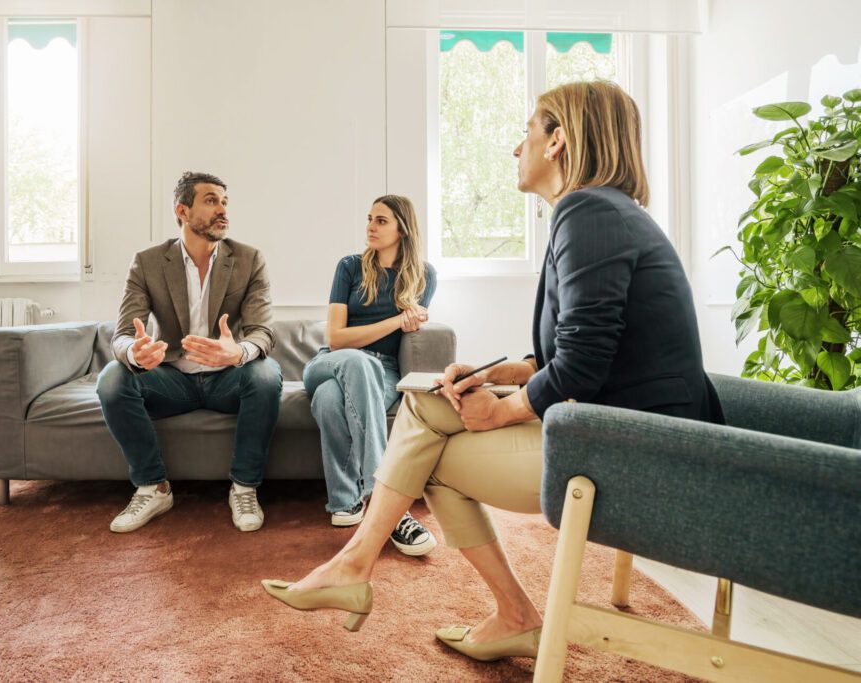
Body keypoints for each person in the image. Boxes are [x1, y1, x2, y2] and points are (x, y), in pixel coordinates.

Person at [261, 80, 725, 659]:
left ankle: (376, 570)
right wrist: (500, 373)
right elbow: (577, 354)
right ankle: (368, 567)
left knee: (429, 453)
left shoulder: (588, 211)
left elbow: (581, 362)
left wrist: (501, 410)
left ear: (557, 141)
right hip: (621, 429)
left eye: (526, 132)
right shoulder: (605, 212)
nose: (516, 148)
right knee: (429, 405)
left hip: (634, 450)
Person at [97, 171, 283, 534]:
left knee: (266, 373)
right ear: (182, 210)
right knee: (112, 379)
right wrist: (136, 353)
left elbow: (264, 331)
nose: (222, 210)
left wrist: (238, 352)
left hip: (228, 380)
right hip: (171, 380)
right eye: (211, 201)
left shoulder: (248, 259)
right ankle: (153, 487)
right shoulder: (148, 262)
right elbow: (121, 335)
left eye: (225, 202)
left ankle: (244, 488)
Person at [304, 195, 438, 556]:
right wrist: (397, 319)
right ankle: (386, 504)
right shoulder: (349, 267)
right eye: (369, 219)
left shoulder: (424, 275)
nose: (370, 227)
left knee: (329, 399)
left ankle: (344, 502)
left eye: (381, 221)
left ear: (402, 229)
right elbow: (336, 338)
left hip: (382, 371)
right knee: (355, 365)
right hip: (331, 362)